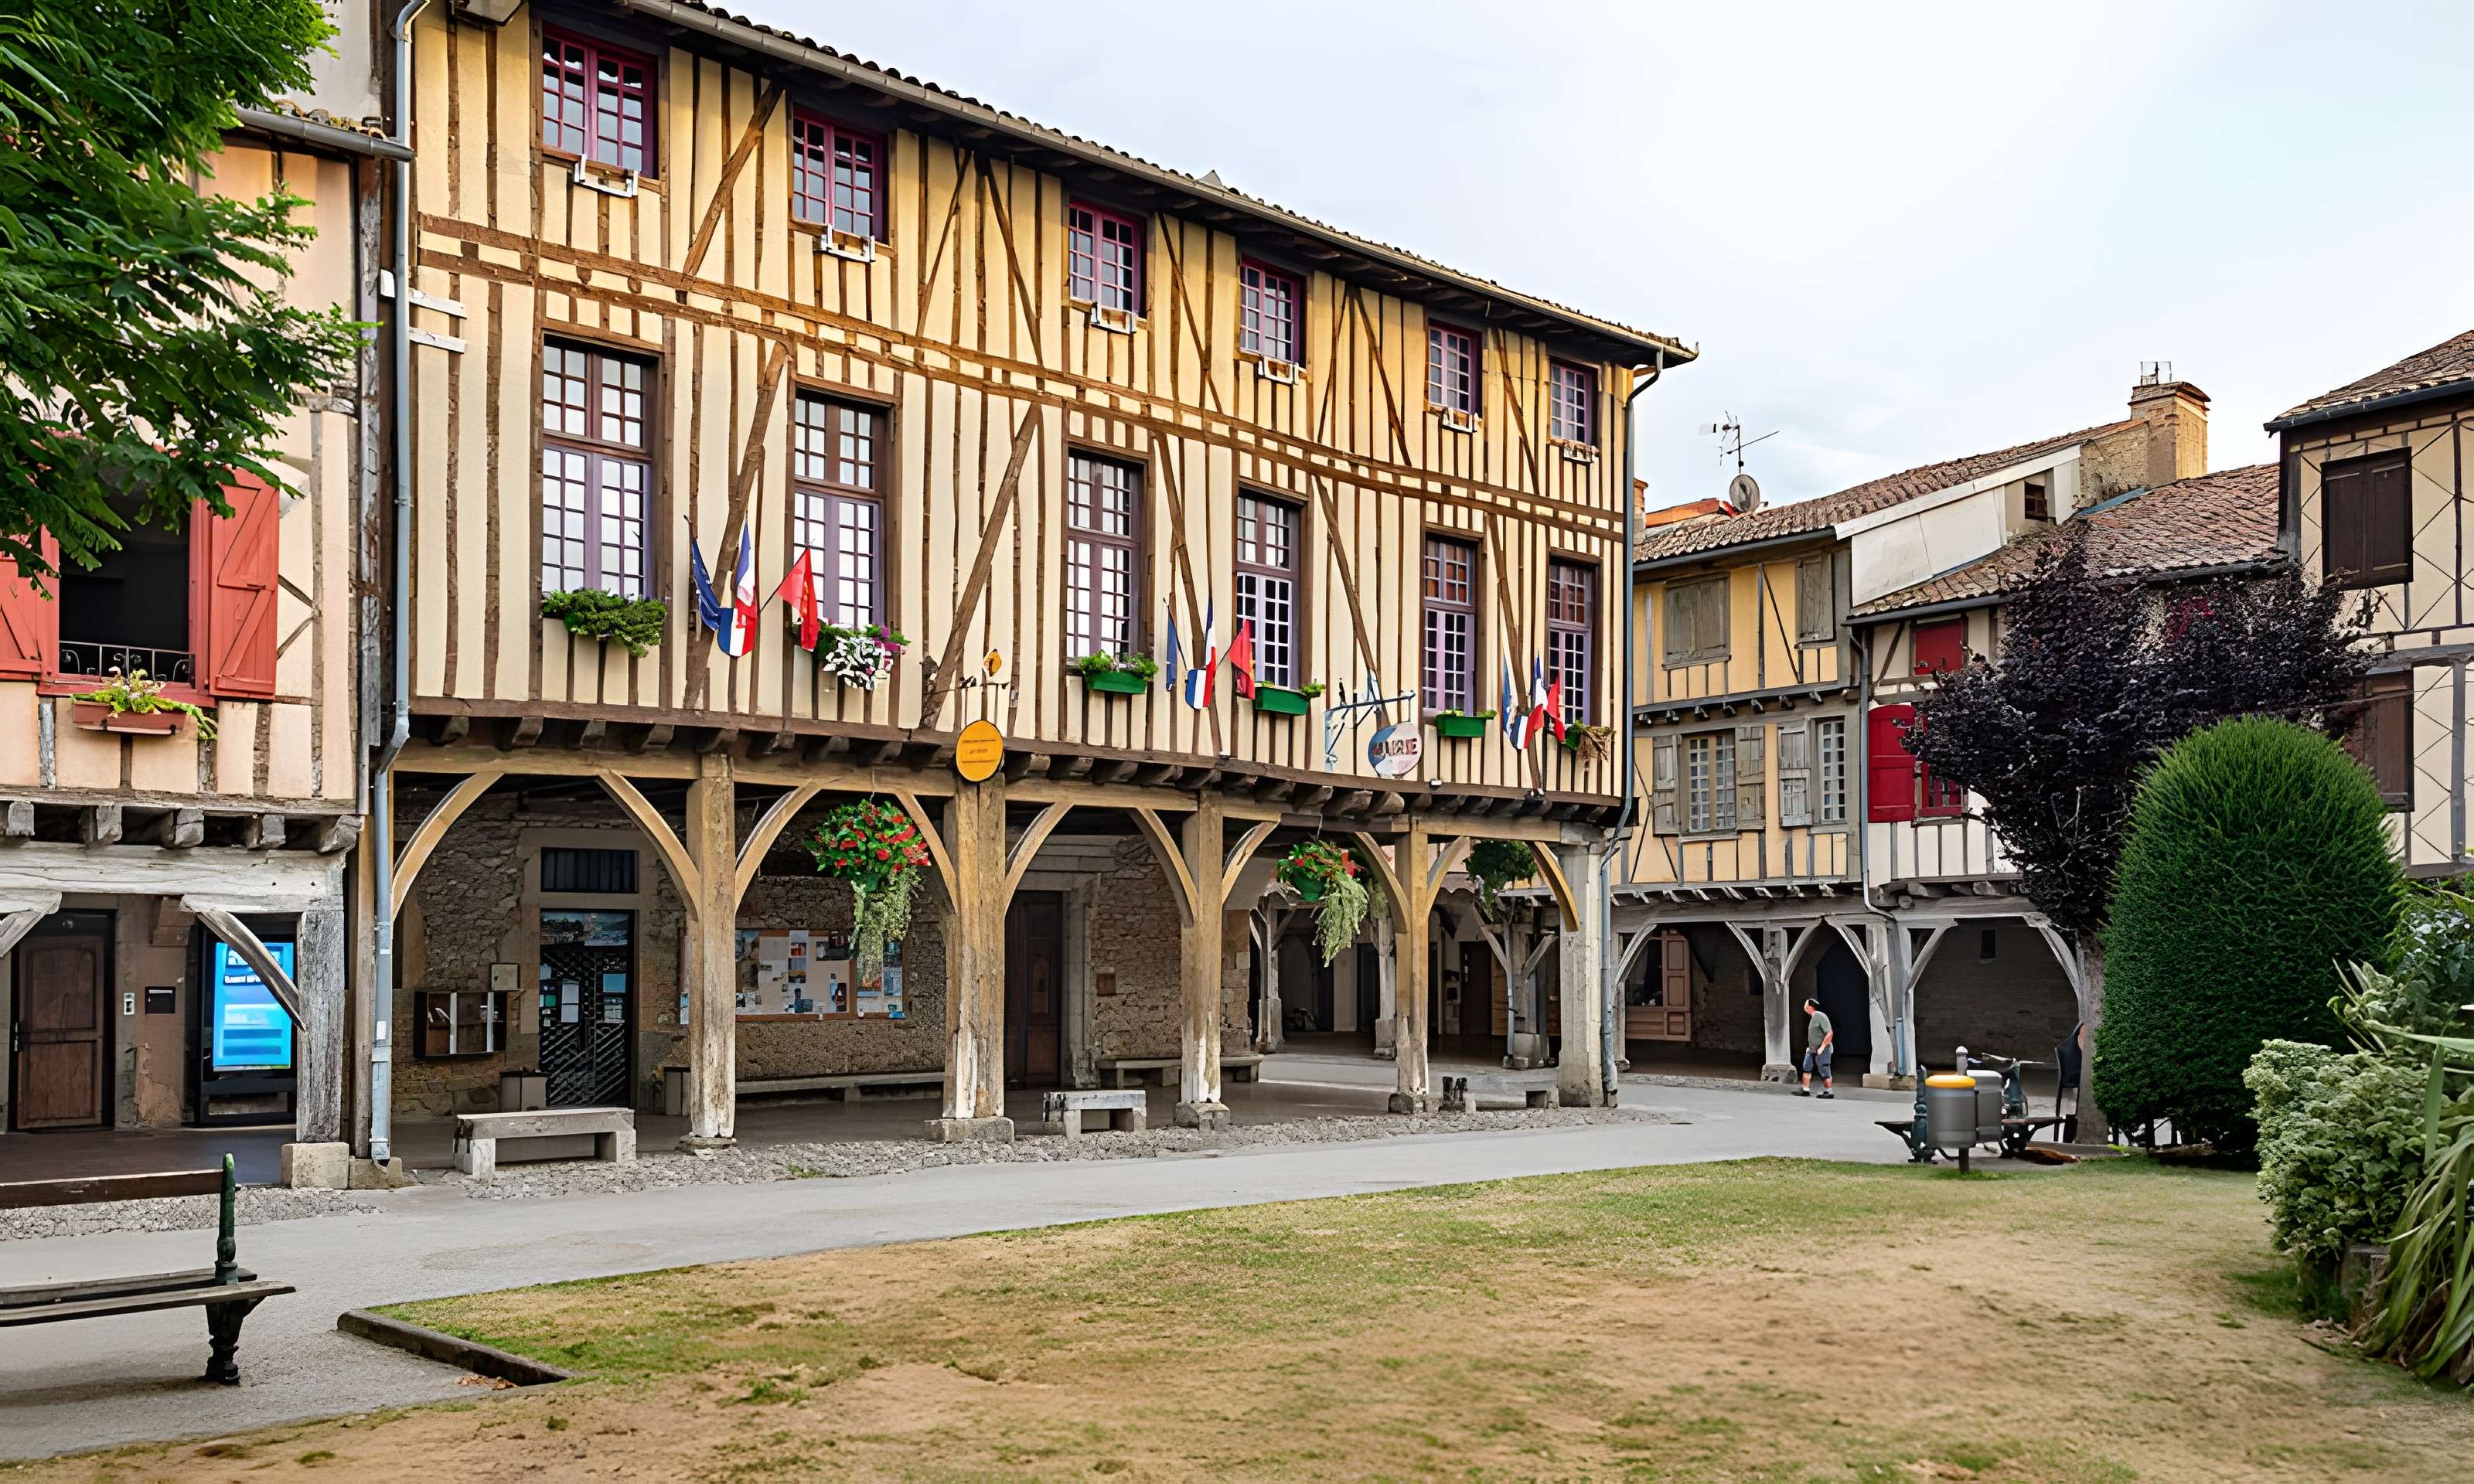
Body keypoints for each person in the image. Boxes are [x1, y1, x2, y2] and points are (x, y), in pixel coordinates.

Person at [1797, 997, 1835, 1098]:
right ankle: (1805, 1089)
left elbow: (1830, 1033)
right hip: (1812, 1049)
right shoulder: (1814, 1018)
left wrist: (1822, 1047)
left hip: (1823, 1049)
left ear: (1809, 1006)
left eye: (1805, 1004)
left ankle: (1828, 1091)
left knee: (1824, 1069)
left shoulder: (1820, 1016)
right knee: (1807, 1067)